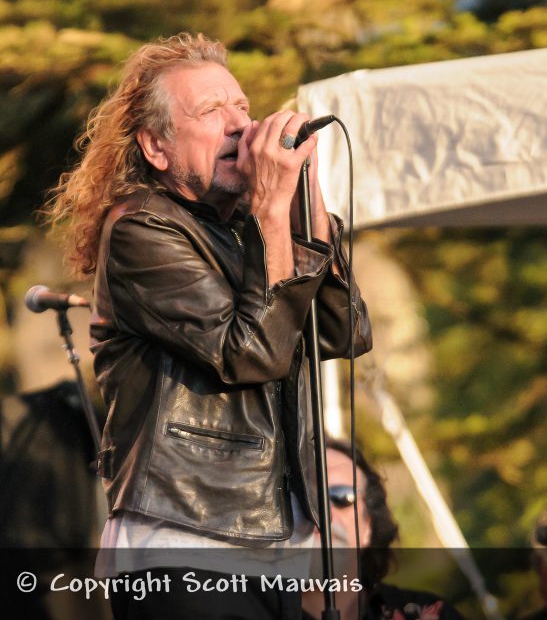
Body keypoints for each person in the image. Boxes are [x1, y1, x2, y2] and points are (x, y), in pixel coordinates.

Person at [45, 32, 372, 620]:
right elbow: (251, 354)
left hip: (276, 539)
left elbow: (342, 331)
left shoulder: (253, 227)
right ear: (156, 147)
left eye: (242, 107)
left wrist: (304, 195)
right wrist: (273, 212)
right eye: (211, 111)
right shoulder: (142, 230)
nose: (240, 126)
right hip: (187, 535)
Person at [301, 438, 465, 620]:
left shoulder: (429, 611)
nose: (321, 513)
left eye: (341, 496)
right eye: (304, 497)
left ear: (368, 526)